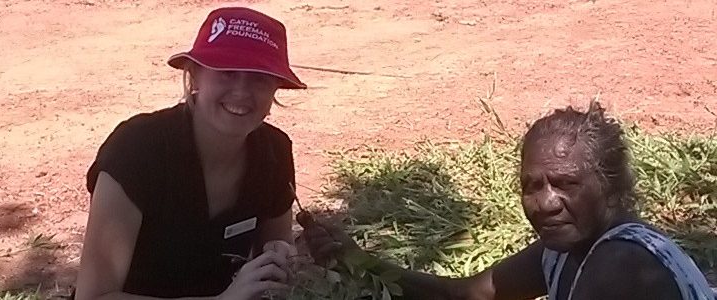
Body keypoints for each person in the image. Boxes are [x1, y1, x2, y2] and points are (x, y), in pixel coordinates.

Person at [299, 101, 716, 300]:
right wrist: (355, 260)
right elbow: (465, 295)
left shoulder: (622, 264)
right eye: (531, 186)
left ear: (610, 186)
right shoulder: (565, 248)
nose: (546, 203)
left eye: (565, 183)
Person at [76, 7, 306, 300]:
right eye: (227, 72)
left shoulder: (274, 151)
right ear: (194, 76)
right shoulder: (137, 150)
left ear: (276, 88)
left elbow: (275, 245)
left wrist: (281, 257)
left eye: (259, 78)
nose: (241, 91)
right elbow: (94, 296)